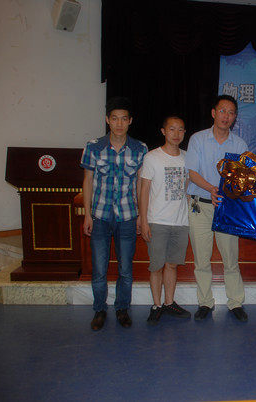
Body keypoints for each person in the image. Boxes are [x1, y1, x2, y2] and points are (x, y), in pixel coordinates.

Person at [80, 97, 148, 331]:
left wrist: (141, 215)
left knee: (125, 269)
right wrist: (87, 215)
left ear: (130, 121)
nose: (119, 123)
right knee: (99, 269)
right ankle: (100, 309)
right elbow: (88, 181)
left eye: (124, 119)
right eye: (115, 118)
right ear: (107, 120)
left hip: (128, 217)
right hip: (100, 216)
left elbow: (140, 184)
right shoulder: (93, 147)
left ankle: (122, 309)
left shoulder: (140, 149)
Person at [186, 94, 249, 322]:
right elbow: (192, 173)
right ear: (213, 113)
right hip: (200, 206)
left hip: (227, 209)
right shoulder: (197, 139)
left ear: (235, 117)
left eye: (231, 113)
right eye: (222, 111)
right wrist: (212, 189)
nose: (226, 116)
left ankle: (235, 302)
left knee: (231, 258)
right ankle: (205, 302)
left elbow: (242, 179)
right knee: (201, 259)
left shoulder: (240, 145)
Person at [139, 116, 191, 325]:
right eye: (172, 129)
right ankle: (156, 305)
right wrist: (144, 220)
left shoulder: (188, 157)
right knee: (156, 266)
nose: (176, 134)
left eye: (180, 130)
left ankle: (169, 303)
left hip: (181, 222)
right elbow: (144, 190)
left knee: (172, 265)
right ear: (163, 131)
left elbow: (188, 189)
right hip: (157, 221)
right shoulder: (152, 157)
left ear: (184, 133)